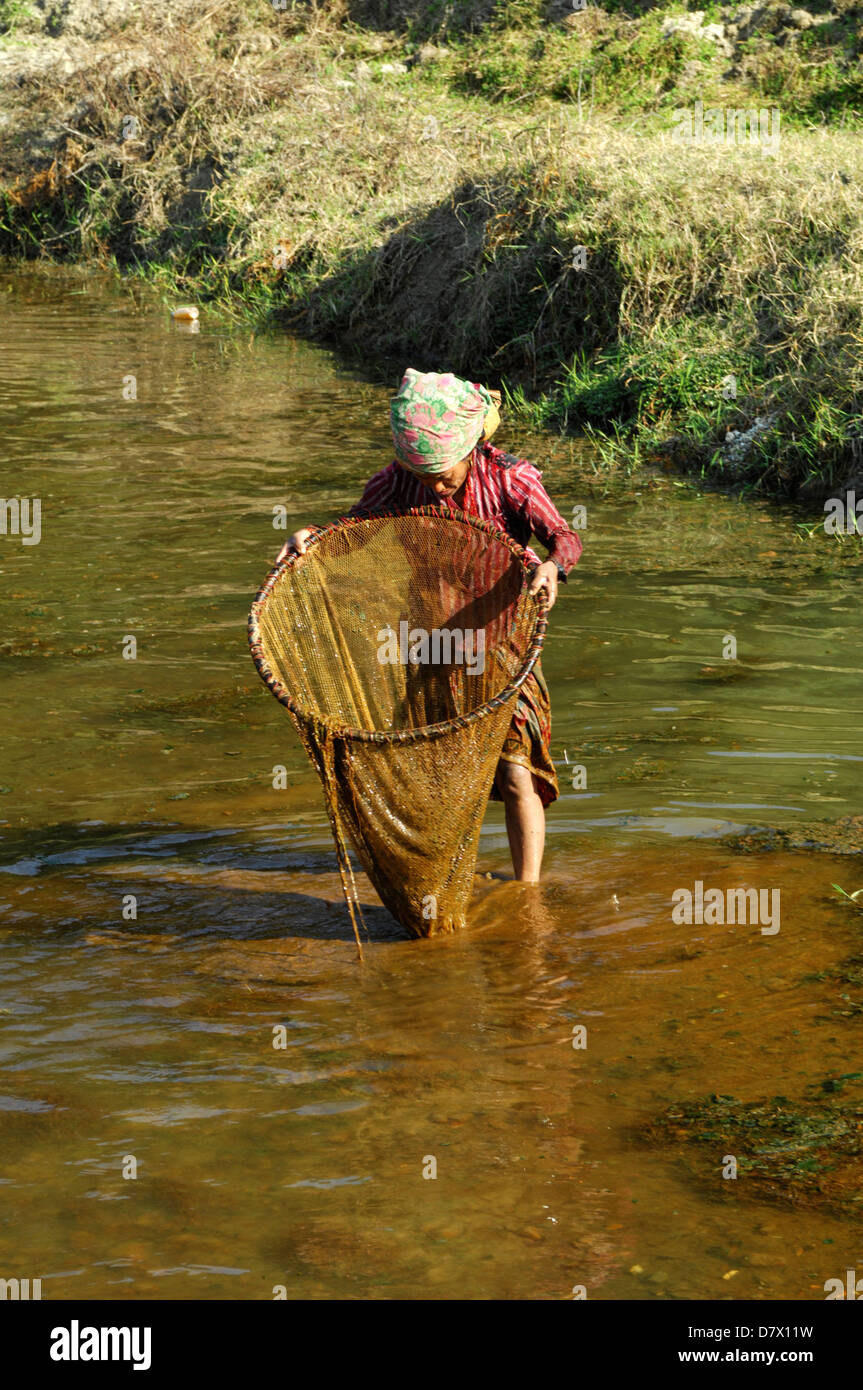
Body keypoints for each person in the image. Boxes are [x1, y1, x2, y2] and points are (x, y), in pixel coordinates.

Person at [276, 368, 582, 883]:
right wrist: (309, 537)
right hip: (432, 642)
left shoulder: (510, 478)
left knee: (514, 774)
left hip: (503, 641)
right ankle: (445, 878)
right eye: (425, 478)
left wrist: (553, 566)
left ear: (471, 448)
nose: (435, 487)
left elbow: (564, 537)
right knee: (439, 772)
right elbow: (350, 535)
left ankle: (527, 892)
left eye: (445, 475)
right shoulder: (398, 483)